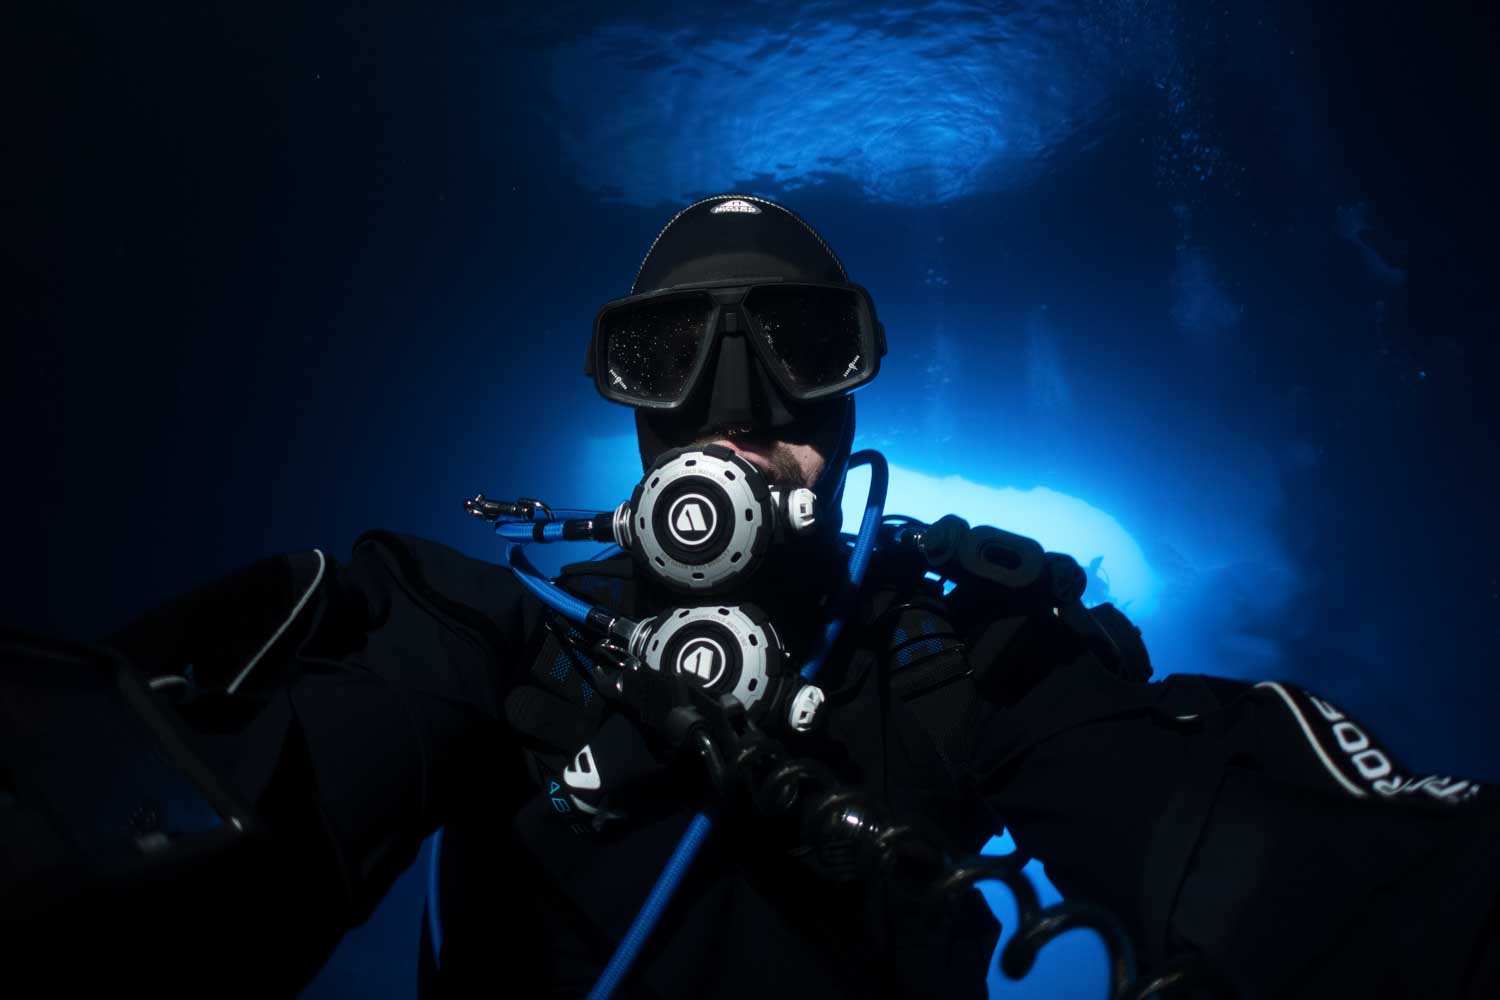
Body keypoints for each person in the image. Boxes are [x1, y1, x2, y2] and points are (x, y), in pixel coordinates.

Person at [7, 193, 1498, 999]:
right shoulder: (488, 634)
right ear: (628, 404)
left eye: (798, 344)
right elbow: (223, 808)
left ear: (850, 396)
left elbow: (1264, 847)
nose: (739, 401)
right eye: (673, 357)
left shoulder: (961, 654)